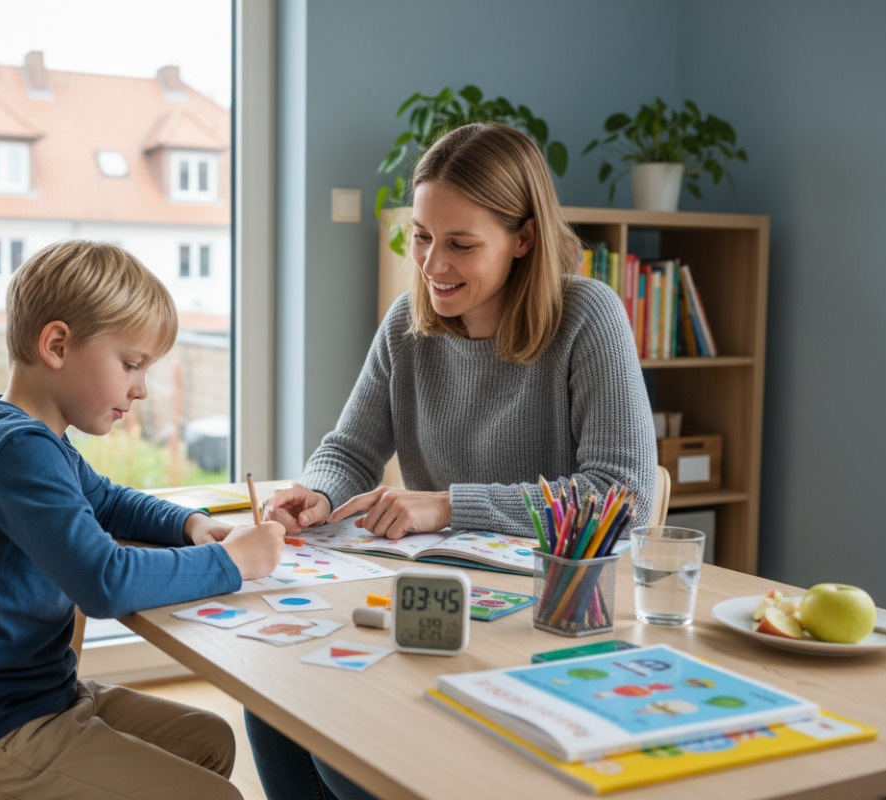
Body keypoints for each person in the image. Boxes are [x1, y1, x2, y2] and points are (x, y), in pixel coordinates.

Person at [249, 122, 656, 800]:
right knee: (275, 710)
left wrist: (446, 504)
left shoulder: (590, 316)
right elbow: (351, 449)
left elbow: (621, 494)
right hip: (439, 602)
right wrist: (317, 494)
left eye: (461, 244)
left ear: (522, 239)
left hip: (547, 616)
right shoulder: (408, 324)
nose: (433, 263)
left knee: (344, 761)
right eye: (422, 237)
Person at [0, 240, 285, 800]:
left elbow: (109, 500)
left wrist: (190, 525)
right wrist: (230, 561)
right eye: (130, 364)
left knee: (209, 741)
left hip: (37, 702)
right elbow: (105, 582)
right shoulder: (15, 451)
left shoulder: (33, 437)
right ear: (56, 345)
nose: (141, 388)